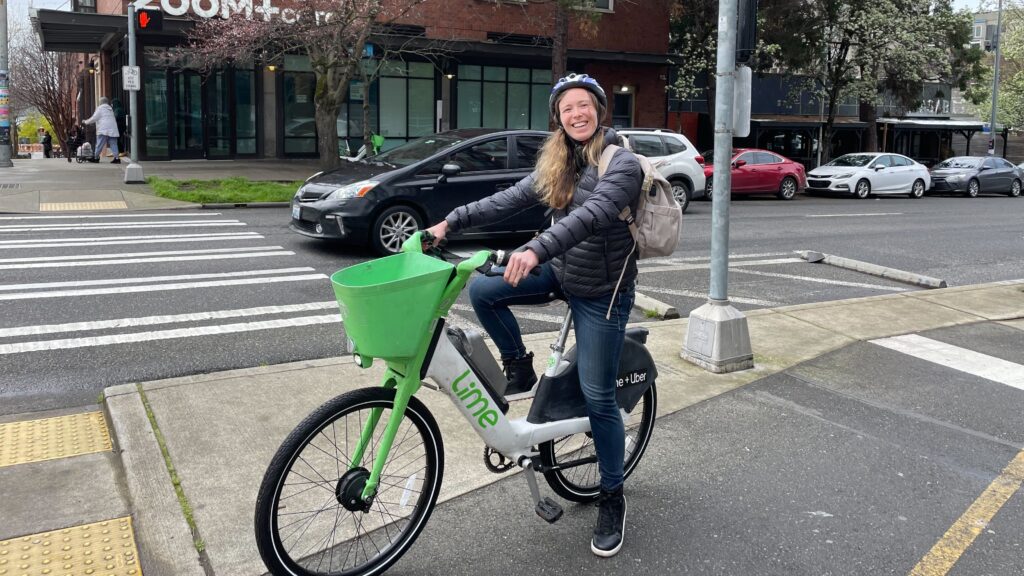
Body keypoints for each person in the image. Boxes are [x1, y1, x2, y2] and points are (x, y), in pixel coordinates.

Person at [424, 73, 643, 558]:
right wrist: (451, 222)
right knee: (484, 289)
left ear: (600, 110)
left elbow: (594, 215)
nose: (576, 114)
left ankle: (612, 496)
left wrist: (536, 249)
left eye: (584, 105)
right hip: (562, 271)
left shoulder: (621, 163)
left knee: (599, 398)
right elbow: (509, 198)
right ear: (558, 117)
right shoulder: (559, 160)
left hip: (603, 292)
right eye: (567, 108)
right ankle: (518, 365)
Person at [83, 97, 121, 164]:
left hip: (103, 129)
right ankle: (117, 158)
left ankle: (96, 157)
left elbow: (94, 118)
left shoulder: (100, 108)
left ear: (100, 102)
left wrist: (86, 122)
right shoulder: (110, 109)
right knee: (113, 144)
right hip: (112, 129)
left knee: (99, 144)